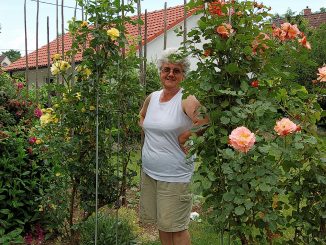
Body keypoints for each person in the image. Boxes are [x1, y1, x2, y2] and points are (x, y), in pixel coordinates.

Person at [139, 48, 208, 245]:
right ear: (160, 72)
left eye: (176, 70)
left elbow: (204, 121)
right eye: (166, 69)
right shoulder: (152, 97)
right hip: (151, 173)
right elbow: (142, 116)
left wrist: (185, 135)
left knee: (177, 229)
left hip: (174, 176)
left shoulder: (186, 98)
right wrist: (149, 130)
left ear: (183, 75)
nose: (170, 74)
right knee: (163, 225)